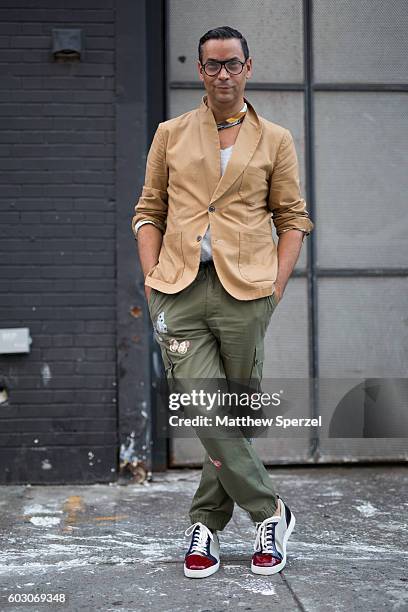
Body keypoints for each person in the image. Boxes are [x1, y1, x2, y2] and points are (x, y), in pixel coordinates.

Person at [131, 26, 314, 578]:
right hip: (179, 290)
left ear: (248, 68)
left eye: (232, 64)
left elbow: (293, 219)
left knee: (233, 410)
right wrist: (151, 280)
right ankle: (270, 510)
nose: (223, 75)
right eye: (212, 66)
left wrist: (275, 288)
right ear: (201, 72)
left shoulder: (276, 139)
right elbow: (148, 210)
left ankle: (207, 526)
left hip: (245, 293)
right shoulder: (171, 133)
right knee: (207, 408)